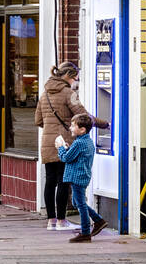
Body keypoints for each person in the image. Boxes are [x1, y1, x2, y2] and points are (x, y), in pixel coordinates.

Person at [35, 62, 108, 231]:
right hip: (66, 142)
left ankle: (51, 221)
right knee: (63, 182)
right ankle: (62, 221)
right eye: (75, 78)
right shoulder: (69, 93)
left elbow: (38, 120)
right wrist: (105, 124)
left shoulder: (44, 94)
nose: (76, 81)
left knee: (50, 181)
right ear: (68, 75)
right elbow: (84, 116)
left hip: (48, 142)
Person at [57, 114, 108, 243]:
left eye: (73, 126)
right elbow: (75, 156)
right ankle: (98, 220)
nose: (70, 128)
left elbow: (66, 158)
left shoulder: (79, 143)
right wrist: (69, 148)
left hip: (77, 177)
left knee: (80, 204)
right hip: (83, 175)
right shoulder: (86, 141)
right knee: (77, 202)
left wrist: (61, 148)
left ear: (82, 129)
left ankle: (86, 232)